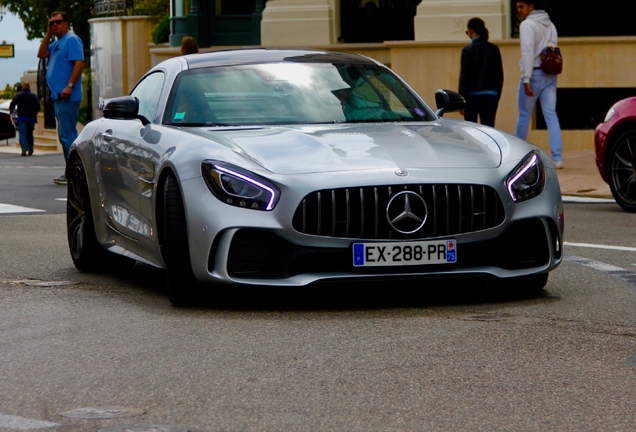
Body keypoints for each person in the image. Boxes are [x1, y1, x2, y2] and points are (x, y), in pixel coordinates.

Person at [37, 10, 85, 185]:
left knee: (68, 136)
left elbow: (79, 63)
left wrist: (69, 86)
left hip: (67, 97)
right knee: (65, 135)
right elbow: (41, 54)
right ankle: (72, 170)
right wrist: (48, 33)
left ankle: (75, 172)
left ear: (66, 23)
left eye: (58, 22)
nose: (55, 25)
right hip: (59, 97)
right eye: (52, 23)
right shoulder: (57, 43)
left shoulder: (72, 40)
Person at [514, 0, 563, 169]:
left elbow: (527, 51)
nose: (518, 10)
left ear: (531, 6)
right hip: (550, 74)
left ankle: (516, 155)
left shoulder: (527, 25)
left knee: (523, 115)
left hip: (534, 73)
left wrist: (526, 78)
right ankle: (557, 157)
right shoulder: (551, 25)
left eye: (521, 6)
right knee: (551, 114)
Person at [458, 17, 504, 127]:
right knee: (488, 130)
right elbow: (500, 75)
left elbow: (464, 76)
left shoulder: (467, 50)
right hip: (491, 96)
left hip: (472, 96)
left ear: (470, 31)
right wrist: (496, 96)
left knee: (471, 130)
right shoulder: (494, 49)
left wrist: (461, 101)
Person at [9, 81, 41, 156]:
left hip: (22, 117)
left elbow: (12, 104)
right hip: (31, 118)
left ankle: (24, 148)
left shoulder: (18, 95)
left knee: (23, 134)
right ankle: (30, 148)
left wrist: (11, 111)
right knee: (30, 134)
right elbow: (38, 107)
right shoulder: (33, 96)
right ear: (29, 87)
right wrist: (34, 113)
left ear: (23, 87)